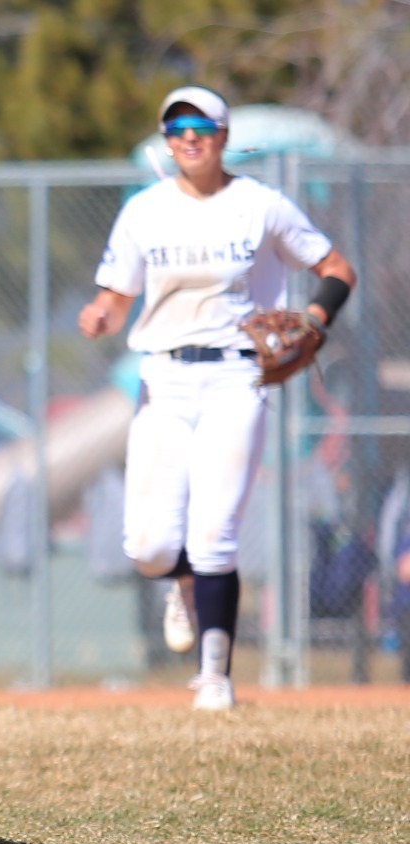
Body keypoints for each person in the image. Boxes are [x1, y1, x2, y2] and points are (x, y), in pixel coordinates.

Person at [78, 85, 357, 711]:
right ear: (167, 139)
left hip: (236, 378)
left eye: (201, 124)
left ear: (224, 135)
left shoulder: (260, 205)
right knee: (149, 547)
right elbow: (117, 295)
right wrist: (100, 311)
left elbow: (338, 269)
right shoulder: (145, 210)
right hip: (164, 381)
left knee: (214, 534)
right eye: (176, 127)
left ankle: (215, 677)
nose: (189, 136)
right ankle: (179, 584)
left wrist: (313, 318)